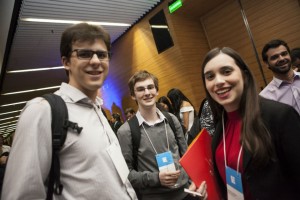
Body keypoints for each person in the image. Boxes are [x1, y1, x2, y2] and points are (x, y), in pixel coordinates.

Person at [2, 23, 137, 200]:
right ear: (65, 62)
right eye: (84, 54)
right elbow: (21, 195)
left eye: (102, 54)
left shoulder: (98, 109)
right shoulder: (42, 111)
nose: (96, 61)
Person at [190, 47, 300, 199]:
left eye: (227, 71)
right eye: (210, 76)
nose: (219, 81)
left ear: (245, 75)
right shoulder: (221, 127)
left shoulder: (279, 116)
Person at [117, 70, 207, 200]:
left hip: (186, 193)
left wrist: (196, 182)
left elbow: (186, 157)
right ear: (133, 95)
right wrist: (156, 178)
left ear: (157, 90)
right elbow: (127, 174)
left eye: (150, 87)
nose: (147, 93)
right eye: (141, 89)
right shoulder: (126, 131)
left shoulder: (171, 119)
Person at [260, 39, 300, 115]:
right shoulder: (265, 98)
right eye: (274, 57)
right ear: (267, 63)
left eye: (284, 54)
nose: (281, 59)